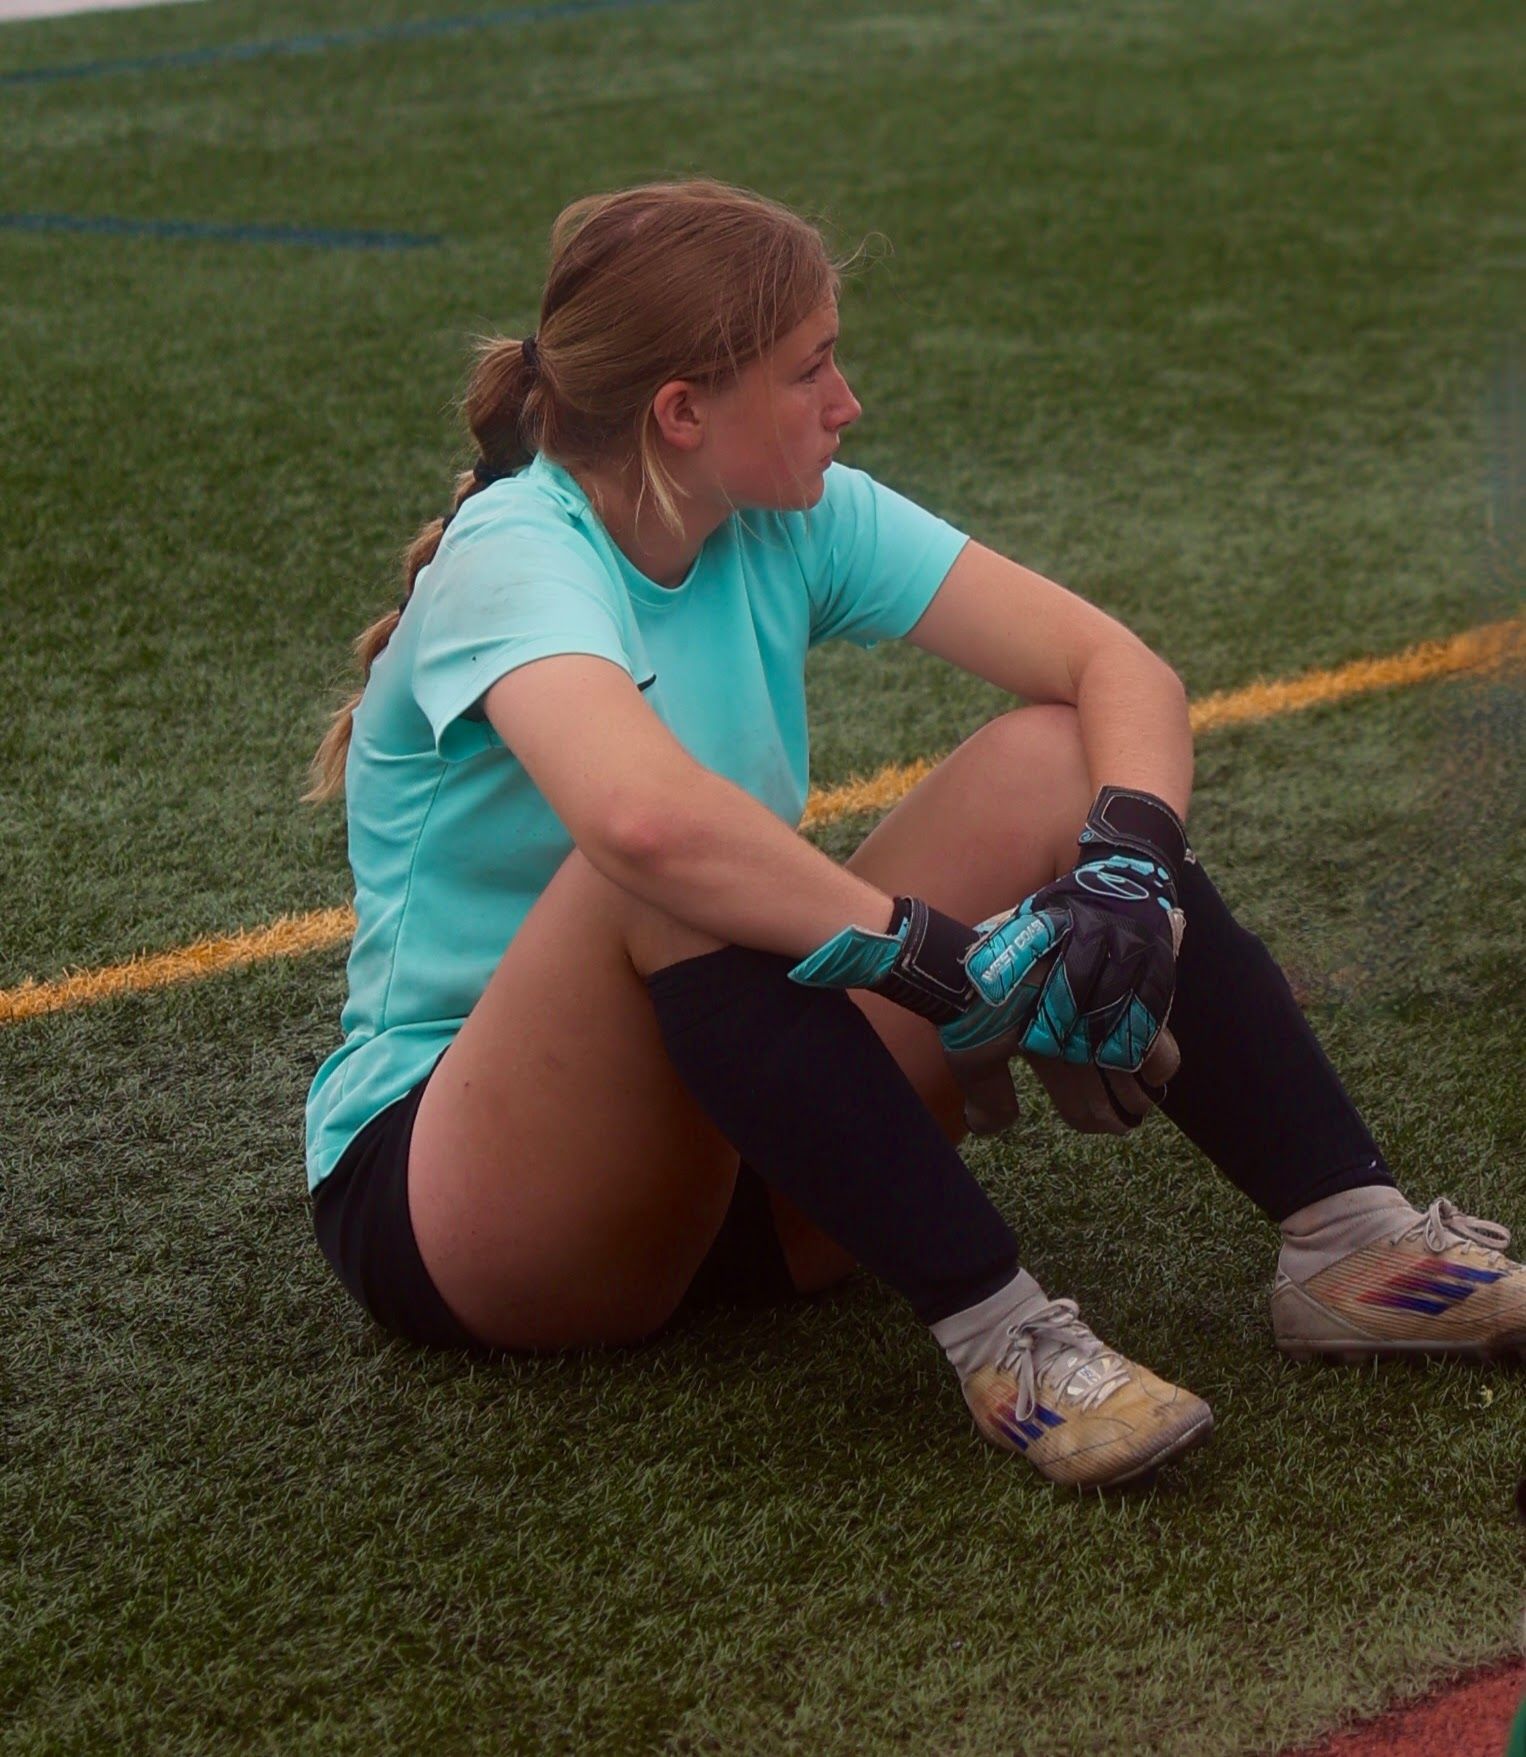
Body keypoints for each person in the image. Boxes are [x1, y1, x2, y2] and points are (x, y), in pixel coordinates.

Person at [302, 177, 1524, 1492]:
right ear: (681, 412)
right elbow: (643, 823)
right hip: (482, 1200)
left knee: (1058, 761)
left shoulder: (791, 510)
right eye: (810, 368)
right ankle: (1008, 1342)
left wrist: (1120, 885)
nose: (847, 403)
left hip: (757, 1150)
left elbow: (1118, 668)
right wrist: (947, 966)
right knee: (655, 864)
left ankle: (1352, 1242)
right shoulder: (514, 549)